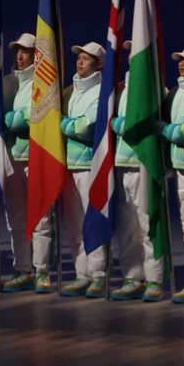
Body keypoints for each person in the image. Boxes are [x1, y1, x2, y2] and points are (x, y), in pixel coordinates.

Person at [107, 41, 164, 301]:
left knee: (147, 222)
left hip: (144, 165)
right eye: (130, 52)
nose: (132, 56)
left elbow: (159, 123)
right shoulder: (119, 89)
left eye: (136, 51)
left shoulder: (156, 88)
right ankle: (133, 277)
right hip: (123, 165)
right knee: (127, 225)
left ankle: (155, 279)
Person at [1, 33, 53, 293]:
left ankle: (42, 271)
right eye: (17, 52)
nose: (20, 57)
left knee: (41, 216)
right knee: (16, 218)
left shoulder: (43, 82)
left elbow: (29, 118)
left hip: (36, 159)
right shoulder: (11, 84)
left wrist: (10, 118)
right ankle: (23, 268)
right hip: (13, 158)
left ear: (36, 55)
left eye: (26, 52)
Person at [59, 42, 107, 298]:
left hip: (90, 166)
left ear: (99, 64)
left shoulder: (100, 91)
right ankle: (82, 274)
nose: (79, 62)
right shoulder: (71, 91)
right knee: (75, 223)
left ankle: (99, 275)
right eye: (79, 58)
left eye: (86, 59)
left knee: (93, 222)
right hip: (70, 166)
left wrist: (62, 124)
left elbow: (85, 127)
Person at [163, 47, 184, 303]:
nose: (181, 64)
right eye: (179, 60)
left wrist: (168, 131)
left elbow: (181, 131)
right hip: (181, 166)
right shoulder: (177, 92)